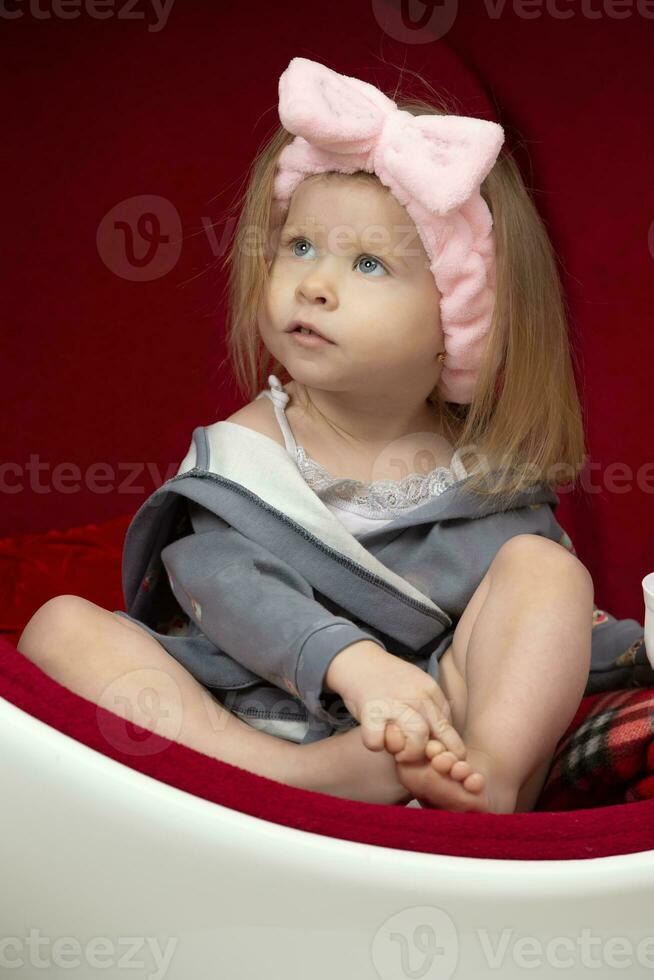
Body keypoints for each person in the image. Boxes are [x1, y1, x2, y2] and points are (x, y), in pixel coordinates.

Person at [16, 57, 651, 814]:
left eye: (370, 263)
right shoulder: (244, 450)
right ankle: (274, 776)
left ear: (458, 323)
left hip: (414, 734)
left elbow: (540, 642)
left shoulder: (488, 485)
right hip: (235, 704)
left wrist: (636, 653)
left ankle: (485, 781)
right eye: (301, 246)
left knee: (548, 574)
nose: (314, 283)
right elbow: (224, 586)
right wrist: (351, 664)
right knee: (61, 627)